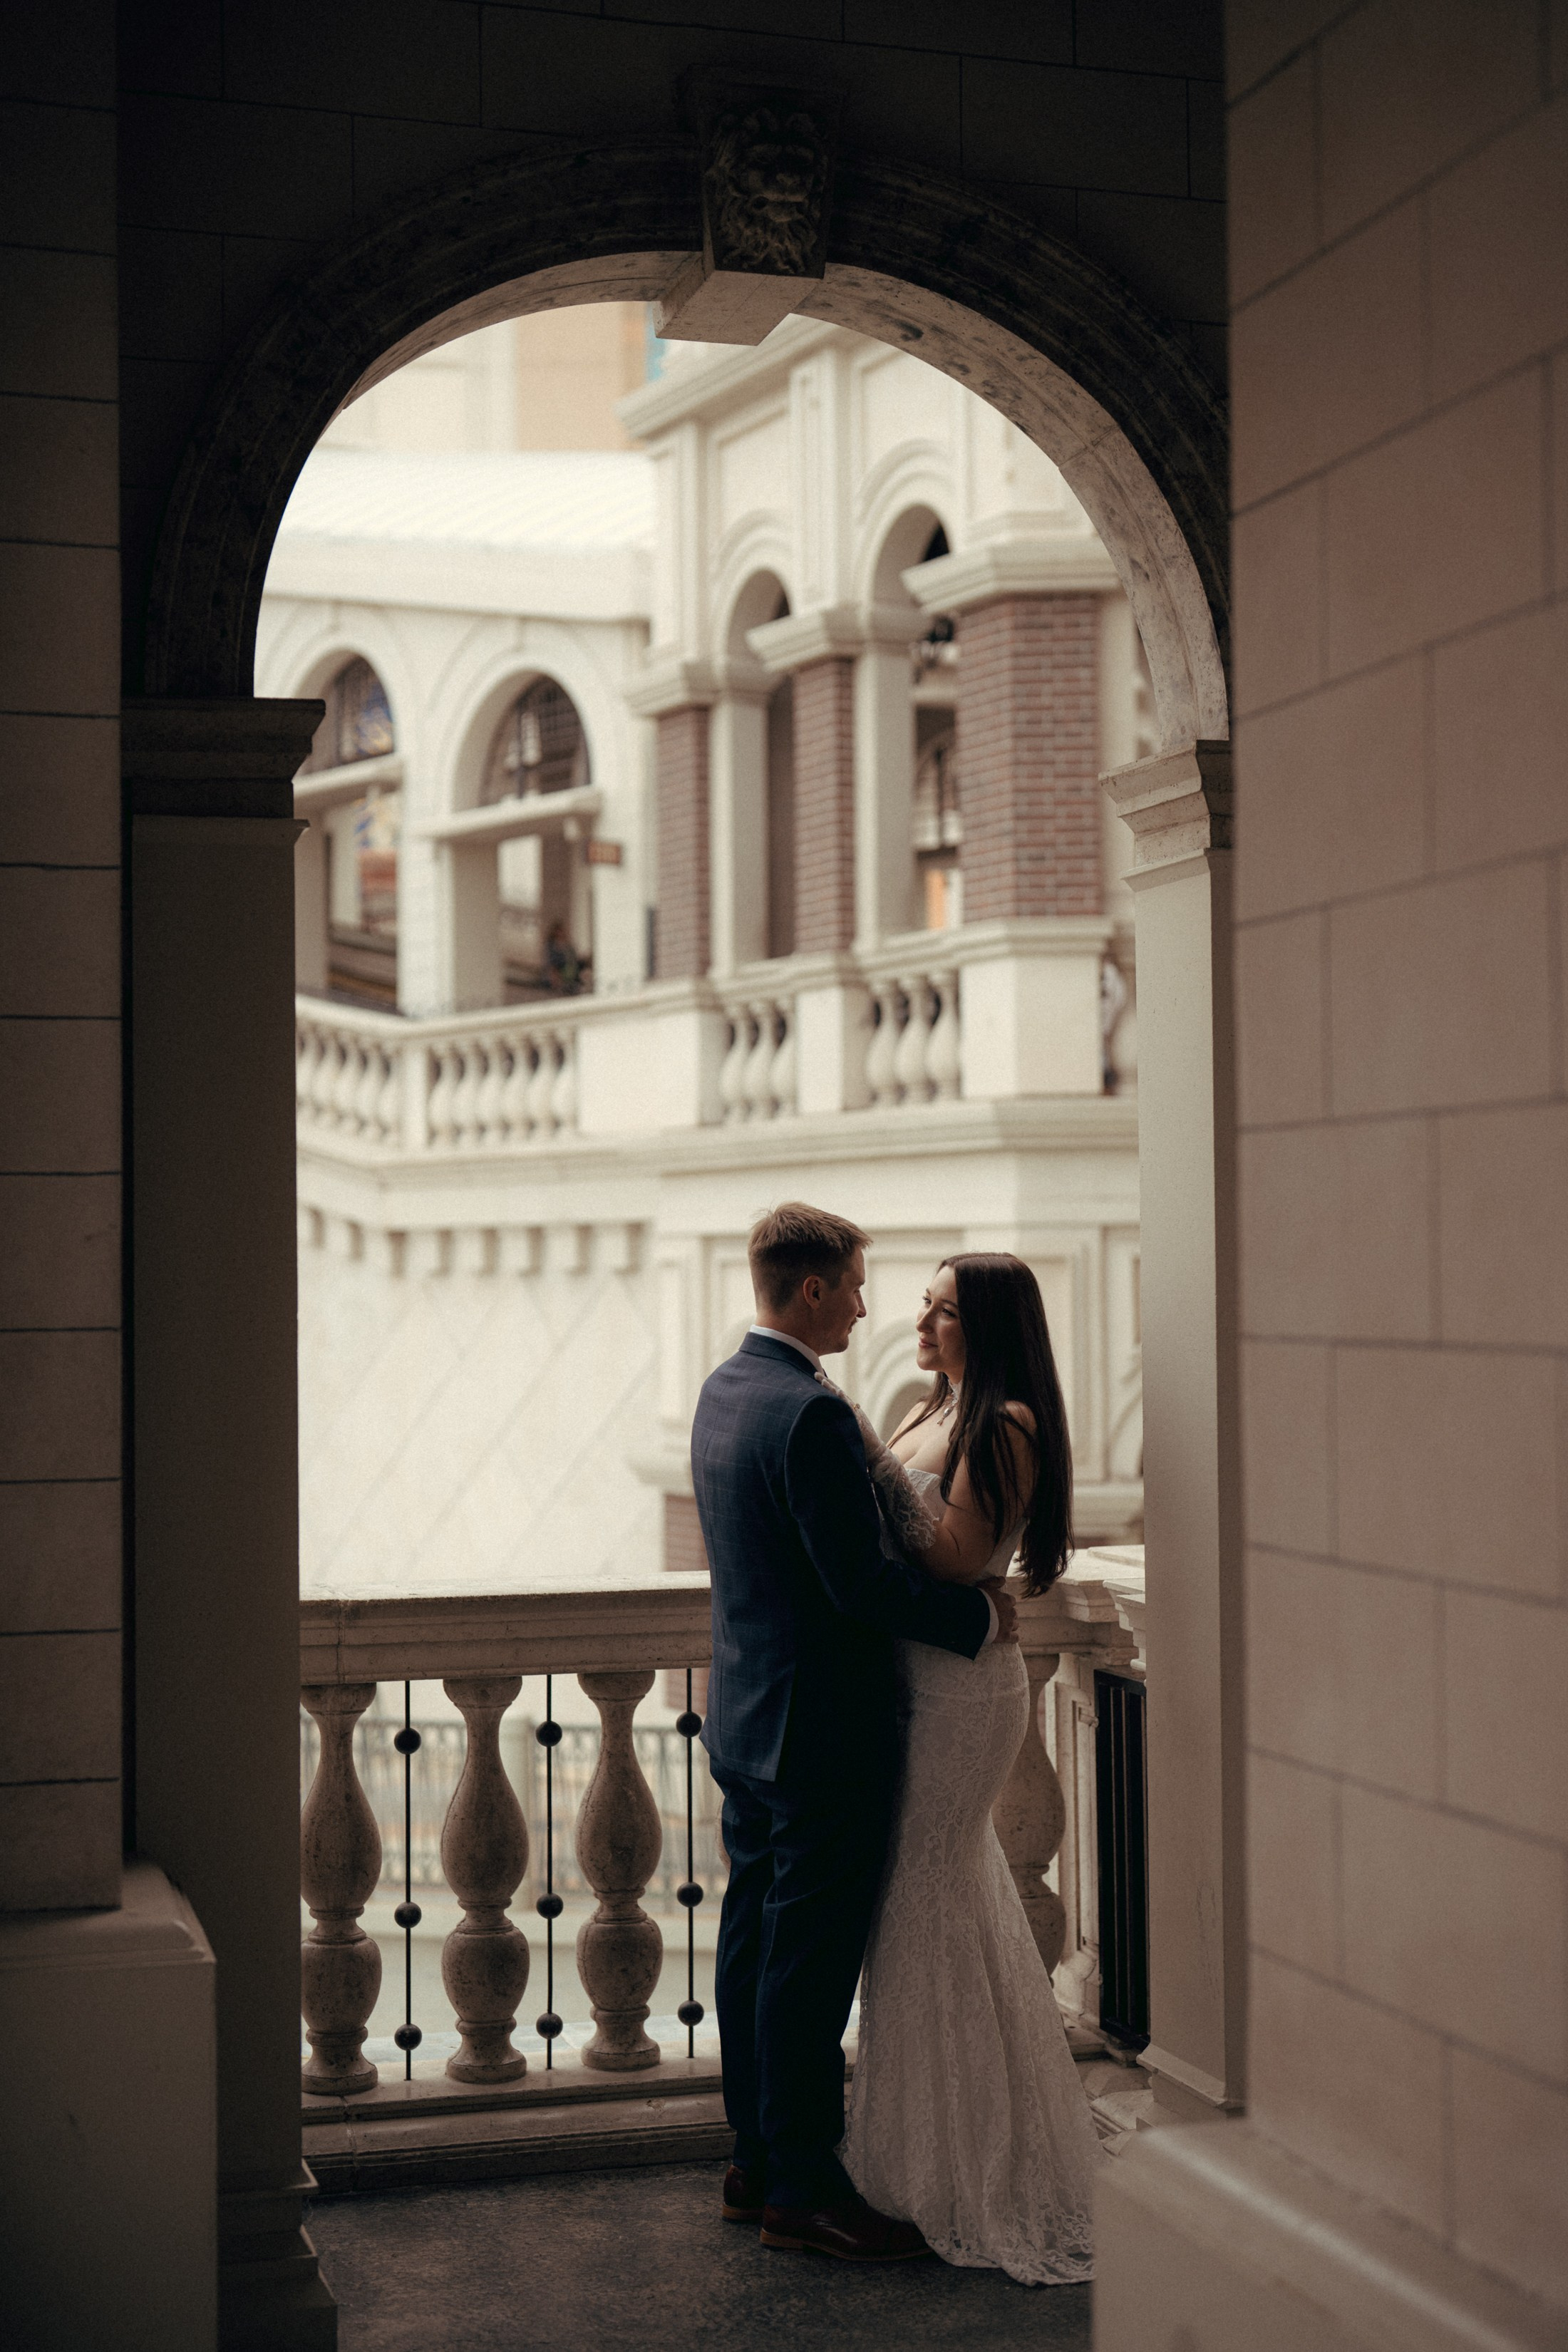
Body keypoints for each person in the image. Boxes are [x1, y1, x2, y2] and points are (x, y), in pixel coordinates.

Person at [691, 1203, 1018, 2261]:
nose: (872, 1307)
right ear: (816, 1289)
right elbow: (862, 1586)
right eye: (860, 1285)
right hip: (820, 1733)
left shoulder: (726, 1390)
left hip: (745, 1719)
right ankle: (801, 2182)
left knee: (751, 1947)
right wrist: (974, 1618)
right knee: (806, 1963)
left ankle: (752, 2156)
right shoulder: (810, 1413)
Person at [836, 1252, 1101, 2285]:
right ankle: (936, 2140)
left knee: (926, 1890)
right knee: (941, 1897)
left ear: (985, 1326)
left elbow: (953, 1559)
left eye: (942, 1311)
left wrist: (864, 1456)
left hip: (961, 1686)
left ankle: (963, 2162)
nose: (921, 1320)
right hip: (924, 1673)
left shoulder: (1008, 1424)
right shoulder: (939, 1409)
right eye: (926, 1304)